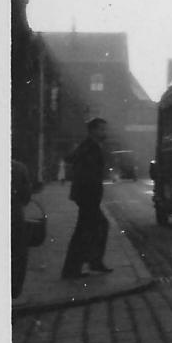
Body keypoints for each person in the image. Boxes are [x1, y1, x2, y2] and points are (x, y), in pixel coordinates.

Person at [61, 117, 113, 279]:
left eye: (105, 129)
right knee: (86, 231)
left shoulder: (90, 146)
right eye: (101, 129)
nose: (104, 132)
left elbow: (71, 158)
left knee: (96, 227)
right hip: (88, 196)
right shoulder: (90, 147)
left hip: (86, 196)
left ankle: (91, 262)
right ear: (93, 131)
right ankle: (73, 269)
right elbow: (86, 172)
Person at [11, 159, 35, 298]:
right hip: (13, 215)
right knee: (18, 254)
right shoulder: (18, 167)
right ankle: (13, 291)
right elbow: (26, 197)